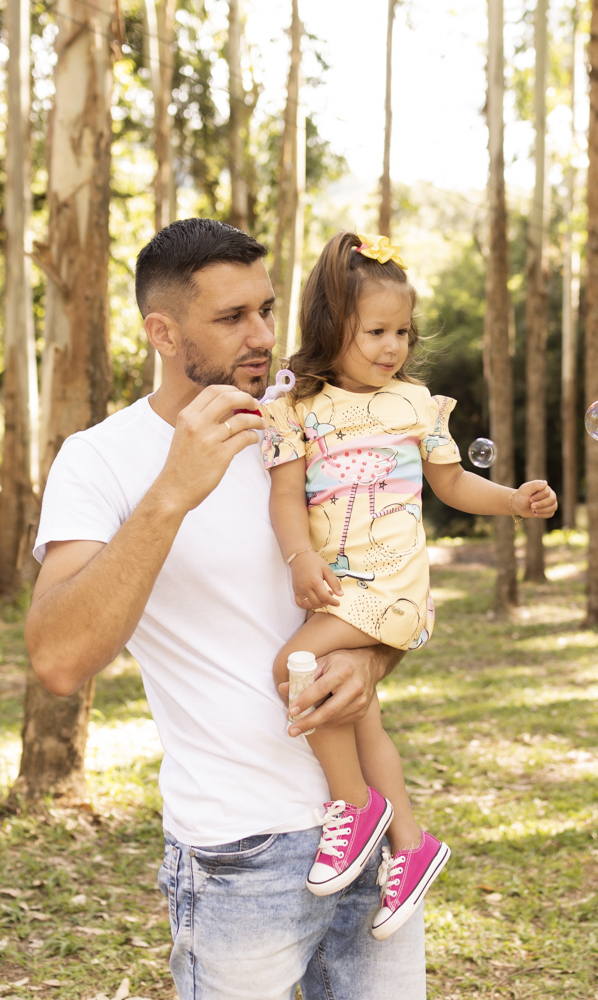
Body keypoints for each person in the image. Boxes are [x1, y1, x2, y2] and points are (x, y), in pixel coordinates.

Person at [25, 219, 427, 1000]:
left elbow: (397, 584)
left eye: (268, 310)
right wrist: (172, 490)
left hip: (371, 832)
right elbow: (57, 659)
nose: (262, 336)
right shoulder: (99, 460)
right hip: (241, 856)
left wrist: (373, 658)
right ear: (162, 331)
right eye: (231, 317)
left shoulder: (313, 423)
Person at [262, 232, 558, 940]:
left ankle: (353, 805)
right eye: (375, 331)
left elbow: (452, 482)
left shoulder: (416, 405)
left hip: (392, 585)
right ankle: (410, 840)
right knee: (350, 701)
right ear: (332, 324)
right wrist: (299, 556)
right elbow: (282, 497)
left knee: (291, 667)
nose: (392, 346)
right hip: (338, 586)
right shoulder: (292, 408)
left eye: (401, 331)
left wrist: (513, 499)